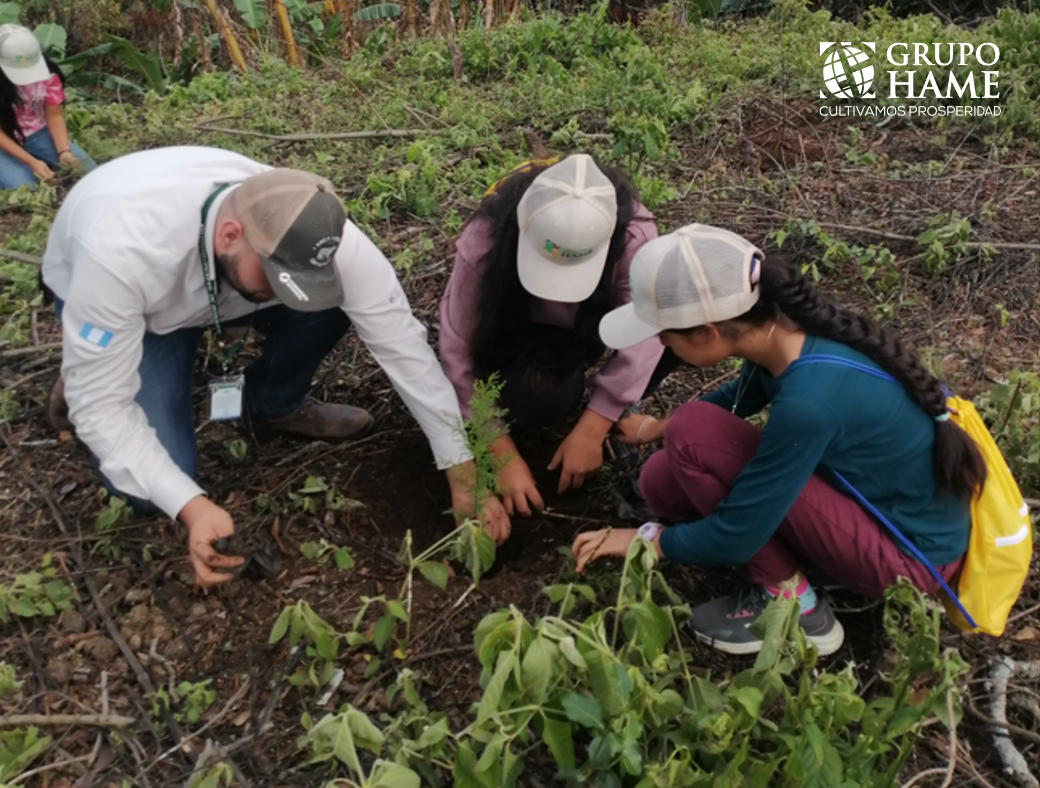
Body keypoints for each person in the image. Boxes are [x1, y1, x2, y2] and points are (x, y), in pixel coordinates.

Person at [42, 146, 508, 587]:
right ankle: (96, 358)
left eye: (297, 279)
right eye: (277, 278)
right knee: (150, 490)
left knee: (328, 299)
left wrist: (462, 472)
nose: (287, 290)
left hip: (220, 289)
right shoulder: (119, 255)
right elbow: (102, 409)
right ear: (230, 235)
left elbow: (404, 347)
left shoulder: (316, 233)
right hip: (142, 310)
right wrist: (192, 507)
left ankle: (273, 405)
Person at [571, 224, 984, 656]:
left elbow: (737, 534)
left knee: (691, 434)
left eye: (664, 334)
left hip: (906, 559)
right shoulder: (782, 330)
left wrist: (646, 540)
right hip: (876, 510)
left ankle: (793, 602)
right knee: (661, 480)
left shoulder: (809, 401)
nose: (659, 342)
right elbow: (741, 397)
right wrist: (656, 428)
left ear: (708, 332)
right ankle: (799, 558)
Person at [439, 154, 677, 518]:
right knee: (542, 399)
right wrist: (498, 448)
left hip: (586, 325)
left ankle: (622, 408)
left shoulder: (634, 238)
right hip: (518, 326)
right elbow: (457, 348)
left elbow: (645, 331)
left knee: (680, 326)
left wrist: (595, 424)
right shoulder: (487, 238)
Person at [0, 24, 94, 189]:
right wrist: (30, 161)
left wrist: (64, 152)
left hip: (37, 133)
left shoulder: (48, 75)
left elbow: (54, 114)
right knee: (25, 187)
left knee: (88, 169)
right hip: (4, 139)